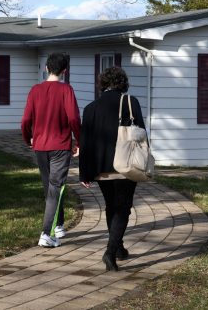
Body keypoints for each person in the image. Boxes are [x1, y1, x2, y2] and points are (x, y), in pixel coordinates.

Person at [79, 66, 144, 271]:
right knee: (123, 208)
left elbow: (85, 142)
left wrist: (84, 173)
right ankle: (110, 252)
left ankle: (119, 248)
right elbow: (141, 134)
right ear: (123, 83)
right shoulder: (131, 103)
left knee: (111, 206)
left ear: (103, 84)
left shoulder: (90, 108)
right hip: (126, 165)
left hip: (101, 167)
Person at [21, 52, 81, 248]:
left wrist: (27, 137)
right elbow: (74, 119)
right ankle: (46, 233)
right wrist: (79, 141)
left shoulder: (35, 90)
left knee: (51, 187)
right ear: (64, 71)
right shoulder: (66, 90)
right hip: (60, 147)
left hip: (40, 146)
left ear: (46, 68)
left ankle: (59, 225)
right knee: (55, 188)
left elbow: (26, 120)